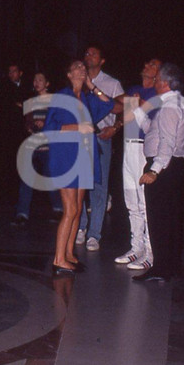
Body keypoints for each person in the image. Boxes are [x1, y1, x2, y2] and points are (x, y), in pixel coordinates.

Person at [44, 60, 116, 275]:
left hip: (84, 156)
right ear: (68, 73)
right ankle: (58, 259)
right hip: (65, 156)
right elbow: (49, 128)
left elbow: (109, 103)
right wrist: (77, 127)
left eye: (84, 68)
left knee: (78, 209)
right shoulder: (61, 97)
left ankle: (68, 254)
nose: (82, 69)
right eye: (77, 67)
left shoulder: (87, 98)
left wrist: (92, 86)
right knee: (71, 210)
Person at [130, 62, 184, 283]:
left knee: (159, 219)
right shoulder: (176, 103)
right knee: (171, 219)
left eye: (156, 79)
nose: (154, 82)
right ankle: (170, 266)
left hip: (164, 166)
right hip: (173, 166)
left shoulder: (169, 107)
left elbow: (166, 143)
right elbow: (152, 131)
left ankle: (161, 269)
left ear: (164, 83)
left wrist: (154, 171)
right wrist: (138, 109)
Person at [75, 45, 125, 252]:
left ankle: (95, 233)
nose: (89, 55)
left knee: (99, 185)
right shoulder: (78, 80)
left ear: (102, 60)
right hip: (81, 138)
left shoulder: (112, 83)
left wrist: (116, 127)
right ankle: (81, 226)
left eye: (94, 53)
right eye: (86, 52)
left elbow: (125, 107)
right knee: (79, 184)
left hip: (102, 137)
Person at [114, 58, 161, 271]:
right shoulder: (134, 89)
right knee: (131, 200)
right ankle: (136, 248)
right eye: (147, 63)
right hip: (128, 144)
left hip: (144, 147)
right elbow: (116, 104)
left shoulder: (157, 94)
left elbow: (149, 114)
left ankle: (151, 252)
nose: (147, 66)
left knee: (144, 202)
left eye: (153, 65)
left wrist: (136, 102)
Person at [11, 71, 63, 225]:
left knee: (50, 179)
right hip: (33, 145)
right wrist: (30, 126)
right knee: (26, 179)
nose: (37, 82)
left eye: (40, 80)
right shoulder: (31, 101)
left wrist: (46, 124)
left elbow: (58, 120)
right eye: (35, 80)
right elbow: (26, 121)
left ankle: (58, 209)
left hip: (49, 147)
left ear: (47, 83)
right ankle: (22, 213)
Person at [0, 62, 29, 190]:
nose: (11, 74)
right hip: (10, 127)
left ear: (20, 73)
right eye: (9, 71)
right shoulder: (5, 87)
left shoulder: (27, 86)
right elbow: (6, 105)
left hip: (24, 127)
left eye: (14, 71)